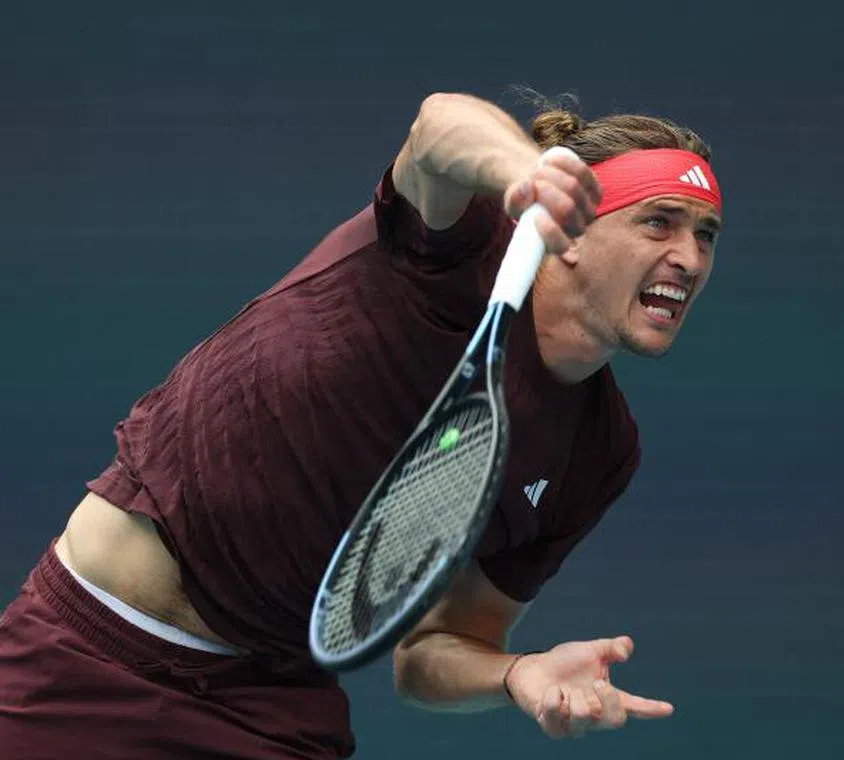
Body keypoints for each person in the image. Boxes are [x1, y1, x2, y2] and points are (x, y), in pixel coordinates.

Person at [0, 88, 724, 758]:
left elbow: (432, 653)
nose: (687, 257)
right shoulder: (460, 246)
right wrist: (522, 170)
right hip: (84, 653)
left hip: (267, 711)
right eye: (658, 222)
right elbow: (437, 127)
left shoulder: (598, 451)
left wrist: (517, 672)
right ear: (572, 230)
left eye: (705, 236)